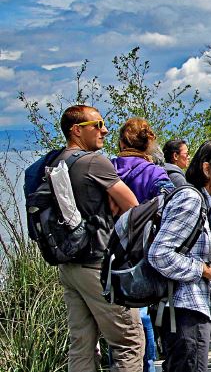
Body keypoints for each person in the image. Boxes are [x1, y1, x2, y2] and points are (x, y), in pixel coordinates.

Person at [55, 105, 145, 371]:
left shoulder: (55, 161)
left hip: (68, 264)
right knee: (128, 341)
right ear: (76, 130)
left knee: (81, 344)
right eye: (97, 125)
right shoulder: (94, 161)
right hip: (97, 264)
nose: (104, 130)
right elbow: (133, 205)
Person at [148, 140, 211, 372]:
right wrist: (205, 270)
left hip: (185, 311)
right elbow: (159, 254)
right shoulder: (191, 199)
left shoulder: (201, 201)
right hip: (185, 312)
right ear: (207, 169)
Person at [110, 117, 173, 372]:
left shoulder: (108, 167)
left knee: (122, 317)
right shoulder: (155, 172)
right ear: (149, 143)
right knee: (144, 313)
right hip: (145, 248)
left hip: (113, 249)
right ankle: (148, 365)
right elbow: (170, 206)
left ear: (122, 141)